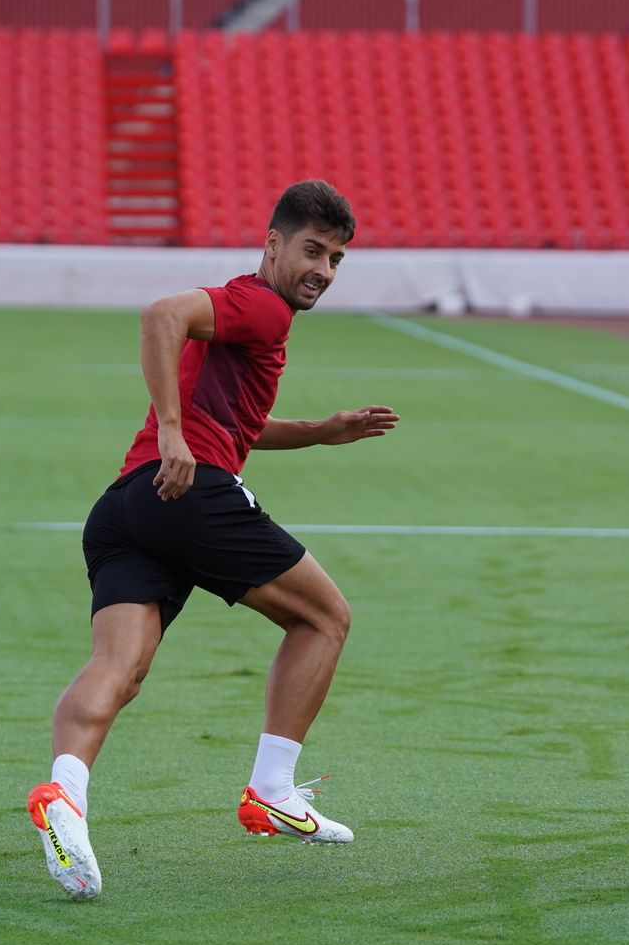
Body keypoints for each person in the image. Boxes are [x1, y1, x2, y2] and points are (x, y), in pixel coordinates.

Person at [26, 180, 399, 900]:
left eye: (337, 259)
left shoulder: (255, 320)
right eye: (312, 251)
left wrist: (320, 432)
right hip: (188, 492)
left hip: (127, 506)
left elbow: (236, 427)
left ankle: (65, 795)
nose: (323, 269)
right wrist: (171, 429)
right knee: (324, 617)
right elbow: (162, 313)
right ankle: (272, 789)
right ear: (272, 245)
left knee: (120, 667)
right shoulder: (260, 304)